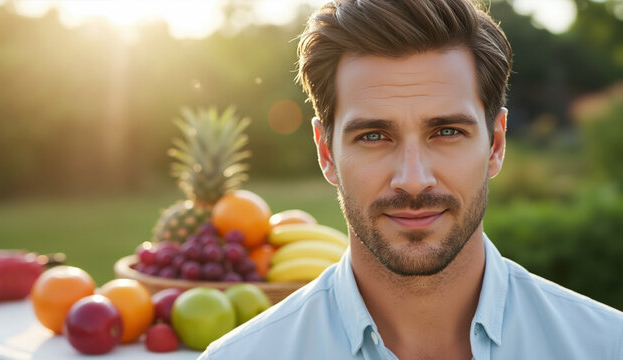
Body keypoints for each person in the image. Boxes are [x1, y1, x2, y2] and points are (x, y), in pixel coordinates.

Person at [199, 0, 623, 359]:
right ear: (326, 153)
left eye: (447, 132)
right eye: (373, 136)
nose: (413, 180)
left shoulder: (605, 345)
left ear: (495, 144)